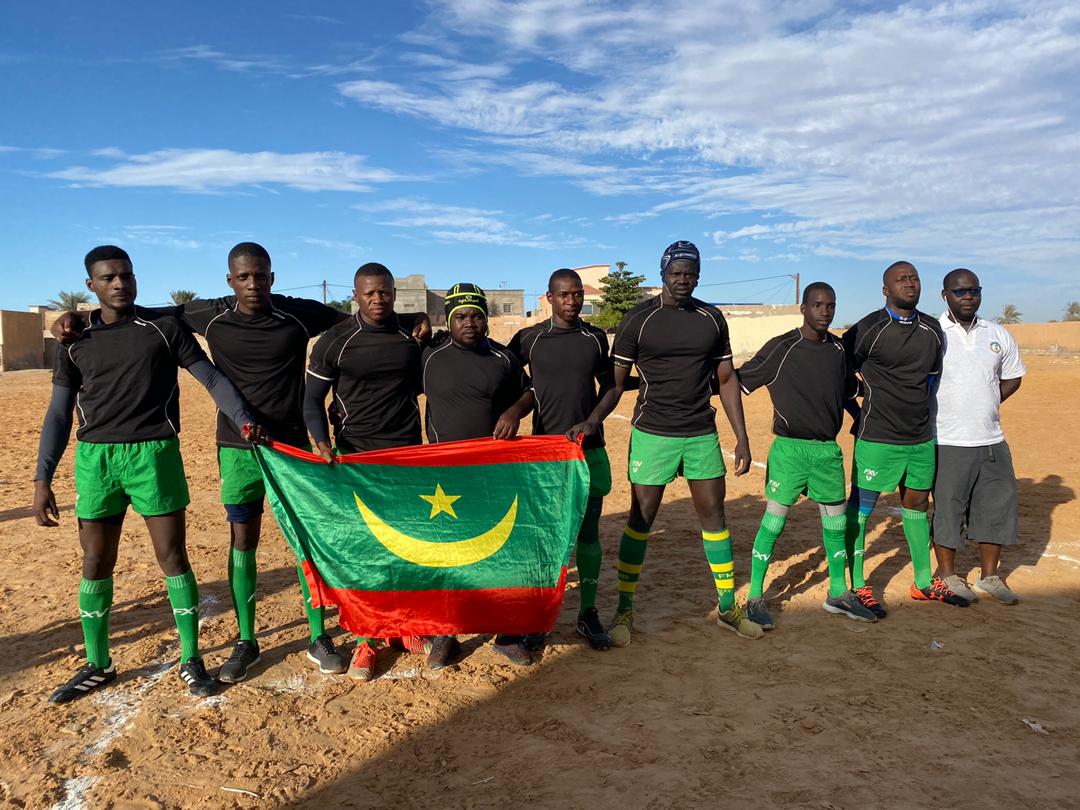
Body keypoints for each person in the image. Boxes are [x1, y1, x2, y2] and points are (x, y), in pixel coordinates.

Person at [50, 243, 431, 682]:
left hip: (290, 449)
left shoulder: (297, 314)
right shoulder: (209, 315)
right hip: (235, 448)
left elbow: (360, 316)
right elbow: (141, 312)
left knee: (304, 542)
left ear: (272, 277)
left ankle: (318, 636)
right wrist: (78, 317)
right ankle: (246, 640)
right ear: (230, 280)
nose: (253, 284)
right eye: (244, 277)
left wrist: (412, 320)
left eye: (261, 275)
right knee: (243, 540)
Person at [33, 245, 260, 702]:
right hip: (96, 461)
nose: (120, 284)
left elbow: (211, 378)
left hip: (154, 456)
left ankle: (192, 658)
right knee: (96, 561)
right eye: (109, 277)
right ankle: (98, 663)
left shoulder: (163, 329)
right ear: (91, 285)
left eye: (127, 275)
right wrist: (43, 479)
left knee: (172, 556)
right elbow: (58, 414)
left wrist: (243, 418)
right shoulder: (73, 340)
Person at [575, 240, 763, 646]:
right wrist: (593, 419)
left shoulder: (712, 319)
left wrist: (742, 438)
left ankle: (727, 607)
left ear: (698, 276)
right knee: (641, 519)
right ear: (663, 275)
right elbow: (616, 385)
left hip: (700, 433)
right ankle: (625, 610)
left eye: (690, 273)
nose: (683, 279)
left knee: (715, 518)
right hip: (652, 434)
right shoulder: (637, 321)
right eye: (676, 273)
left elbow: (726, 379)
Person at [303, 261, 432, 679]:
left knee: (405, 543)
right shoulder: (335, 341)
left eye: (385, 292)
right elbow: (312, 399)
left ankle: (404, 628)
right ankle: (366, 640)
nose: (378, 299)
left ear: (394, 293)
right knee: (365, 551)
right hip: (357, 456)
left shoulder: (411, 334)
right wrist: (321, 440)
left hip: (406, 453)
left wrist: (422, 317)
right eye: (370, 293)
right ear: (356, 295)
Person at [737, 282, 878, 627]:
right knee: (774, 522)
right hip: (790, 451)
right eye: (817, 305)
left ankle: (838, 593)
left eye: (830, 305)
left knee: (836, 523)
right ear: (803, 308)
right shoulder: (782, 347)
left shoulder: (838, 350)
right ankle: (754, 597)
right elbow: (738, 380)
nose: (825, 312)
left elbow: (848, 391)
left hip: (827, 451)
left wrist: (861, 415)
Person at [842, 260, 969, 614]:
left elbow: (931, 379)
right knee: (862, 509)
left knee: (916, 504)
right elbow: (839, 374)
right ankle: (858, 585)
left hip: (920, 438)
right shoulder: (868, 328)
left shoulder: (932, 329)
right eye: (901, 279)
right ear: (886, 289)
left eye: (914, 278)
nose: (909, 283)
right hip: (877, 437)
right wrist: (857, 412)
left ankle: (923, 583)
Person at [421, 283, 535, 666]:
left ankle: (506, 632)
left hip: (493, 473)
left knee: (500, 550)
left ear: (485, 319)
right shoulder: (429, 357)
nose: (469, 323)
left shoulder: (503, 358)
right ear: (449, 320)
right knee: (450, 552)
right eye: (460, 316)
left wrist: (514, 411)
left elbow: (531, 391)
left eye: (475, 316)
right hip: (446, 476)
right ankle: (446, 632)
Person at [509, 268, 614, 650]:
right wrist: (516, 409)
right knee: (547, 538)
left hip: (589, 448)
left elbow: (612, 386)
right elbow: (503, 371)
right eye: (565, 295)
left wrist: (593, 420)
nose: (572, 301)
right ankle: (539, 617)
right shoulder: (529, 339)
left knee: (588, 534)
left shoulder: (594, 337)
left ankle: (588, 613)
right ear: (550, 298)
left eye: (577, 294)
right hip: (546, 456)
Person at [931, 269, 1025, 604]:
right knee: (949, 508)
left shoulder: (996, 333)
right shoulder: (932, 333)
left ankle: (989, 577)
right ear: (945, 295)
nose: (968, 296)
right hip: (947, 440)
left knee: (995, 506)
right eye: (960, 292)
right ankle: (947, 575)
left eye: (974, 290)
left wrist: (988, 401)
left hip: (991, 439)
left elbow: (1013, 376)